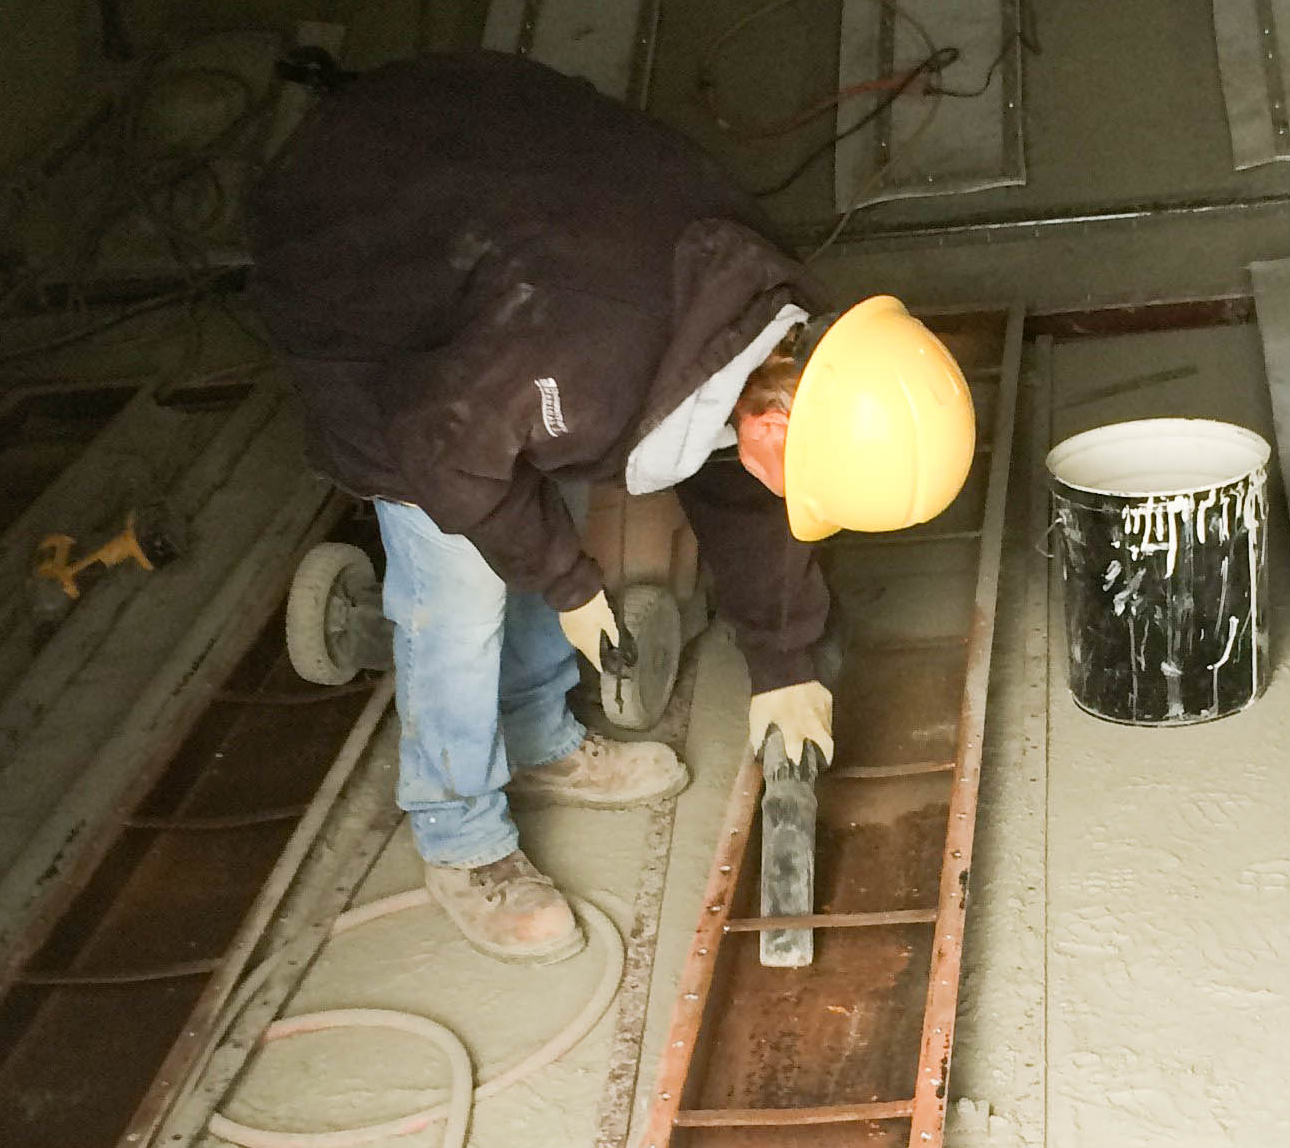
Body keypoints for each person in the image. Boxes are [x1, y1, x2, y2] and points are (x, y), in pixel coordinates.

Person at [246, 48, 975, 961]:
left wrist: (787, 665)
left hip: (492, 228)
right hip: (354, 251)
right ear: (783, 418)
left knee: (531, 469)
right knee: (461, 583)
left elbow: (738, 480)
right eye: (805, 482)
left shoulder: (775, 327)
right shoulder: (583, 350)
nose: (794, 499)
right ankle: (462, 839)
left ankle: (537, 736)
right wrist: (565, 579)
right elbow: (448, 447)